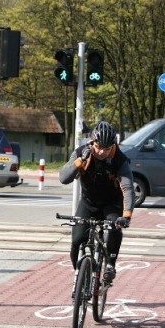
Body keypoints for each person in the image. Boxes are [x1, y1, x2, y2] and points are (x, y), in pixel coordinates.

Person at [59, 121, 134, 284]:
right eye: (99, 147)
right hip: (88, 203)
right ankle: (81, 279)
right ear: (92, 142)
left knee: (114, 228)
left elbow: (128, 189)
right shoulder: (81, 153)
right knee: (76, 241)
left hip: (111, 204)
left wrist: (126, 216)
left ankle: (110, 266)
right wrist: (79, 162)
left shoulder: (120, 160)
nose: (101, 152)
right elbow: (64, 178)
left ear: (112, 146)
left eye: (107, 149)